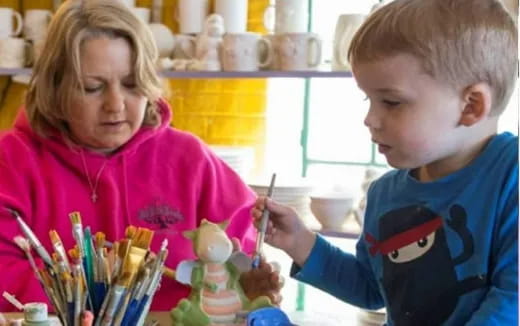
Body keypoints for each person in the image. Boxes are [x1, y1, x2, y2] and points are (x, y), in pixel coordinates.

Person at [0, 0, 280, 312]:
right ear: (56, 88)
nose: (116, 104)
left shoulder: (189, 158)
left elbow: (240, 253)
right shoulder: (12, 160)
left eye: (132, 85)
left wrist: (247, 285)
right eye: (93, 88)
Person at [252, 0, 518, 325]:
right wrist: (301, 241)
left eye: (392, 102)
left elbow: (512, 303)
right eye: (369, 99)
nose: (370, 119)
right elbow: (372, 288)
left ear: (471, 105)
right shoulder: (385, 194)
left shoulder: (511, 178)